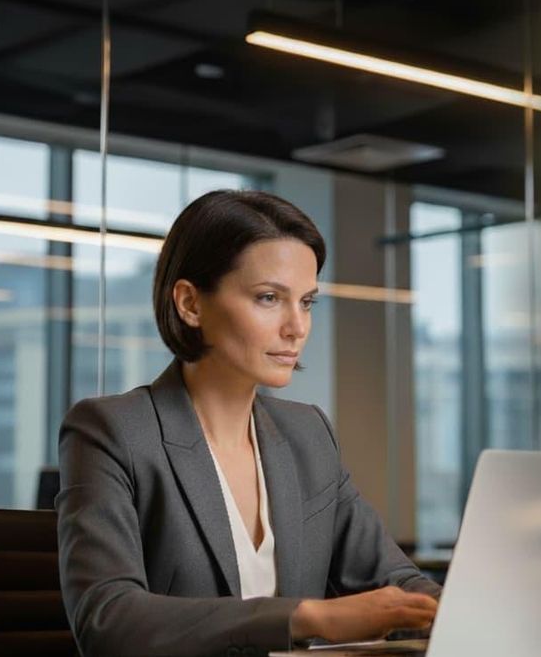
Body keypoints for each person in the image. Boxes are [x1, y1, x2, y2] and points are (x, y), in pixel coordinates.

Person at [57, 190, 440, 657]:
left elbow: (394, 582)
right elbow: (107, 619)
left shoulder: (308, 434)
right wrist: (307, 617)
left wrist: (461, 608)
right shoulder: (112, 431)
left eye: (306, 302)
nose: (297, 327)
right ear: (190, 304)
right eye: (269, 298)